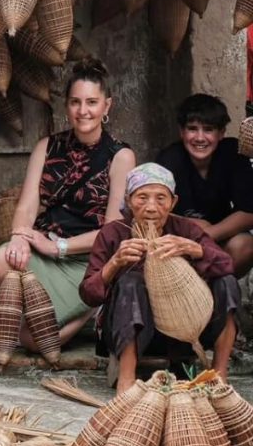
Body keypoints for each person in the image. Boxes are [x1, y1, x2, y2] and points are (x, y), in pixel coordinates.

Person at [0, 57, 135, 348]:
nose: (83, 111)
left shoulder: (121, 156)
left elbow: (113, 229)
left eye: (92, 102)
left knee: (31, 341)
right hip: (45, 249)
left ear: (107, 106)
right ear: (66, 106)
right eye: (75, 102)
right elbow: (27, 205)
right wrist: (19, 236)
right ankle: (46, 312)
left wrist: (60, 248)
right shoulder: (47, 147)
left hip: (87, 260)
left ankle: (93, 304)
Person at [80, 163, 238, 395]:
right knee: (131, 281)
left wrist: (195, 249)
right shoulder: (113, 233)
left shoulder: (185, 229)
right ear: (128, 200)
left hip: (186, 332)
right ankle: (127, 379)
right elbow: (88, 294)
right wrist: (114, 263)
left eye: (161, 199)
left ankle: (219, 374)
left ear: (173, 202)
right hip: (134, 332)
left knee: (227, 281)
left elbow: (227, 265)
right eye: (142, 197)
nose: (151, 207)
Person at [155, 94, 253, 276]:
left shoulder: (234, 154)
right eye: (192, 129)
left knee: (245, 245)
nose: (200, 138)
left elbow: (249, 212)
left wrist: (209, 233)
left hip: (220, 236)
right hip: (179, 238)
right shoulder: (169, 160)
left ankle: (217, 294)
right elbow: (155, 213)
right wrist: (193, 228)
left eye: (208, 130)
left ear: (221, 133)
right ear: (181, 132)